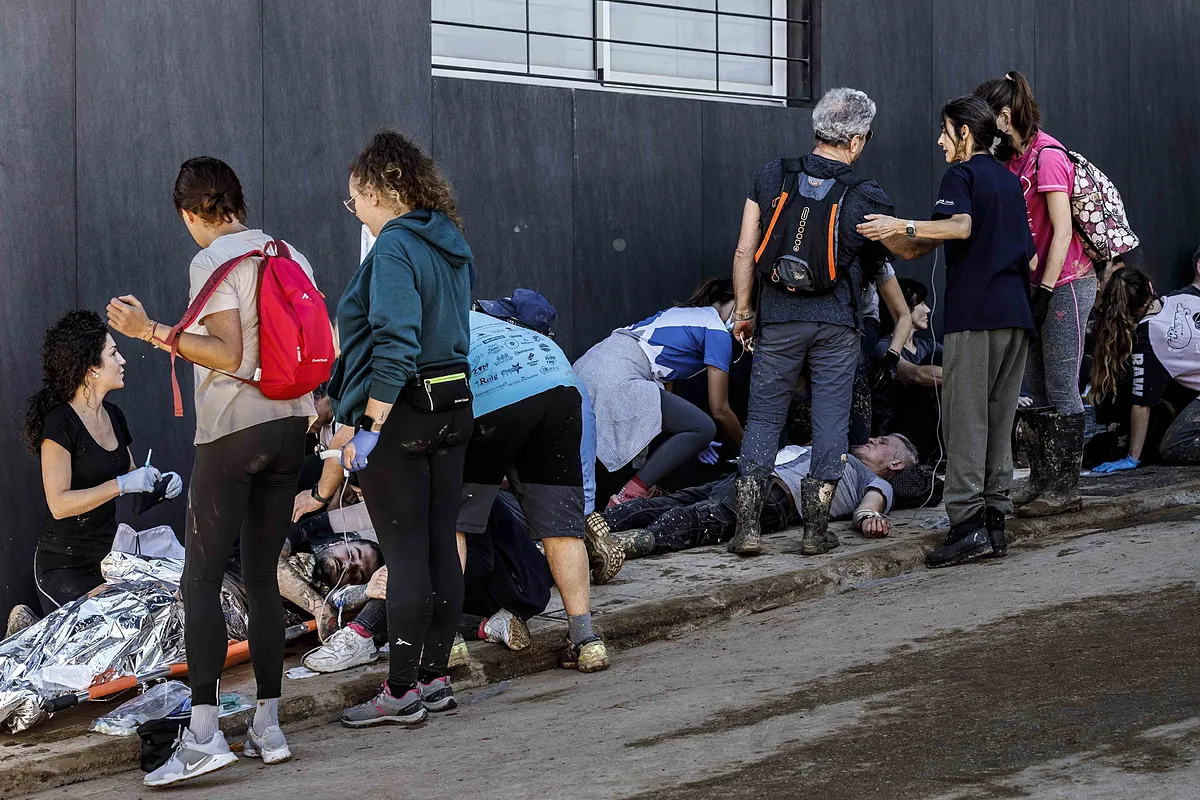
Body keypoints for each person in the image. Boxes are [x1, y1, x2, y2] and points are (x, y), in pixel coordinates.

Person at [107, 157, 316, 783]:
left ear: (191, 214)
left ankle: (203, 734)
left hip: (233, 432)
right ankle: (269, 726)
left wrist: (151, 332)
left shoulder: (212, 258)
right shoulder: (290, 253)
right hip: (291, 427)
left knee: (198, 580)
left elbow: (225, 353)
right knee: (260, 573)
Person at [326, 131, 475, 729]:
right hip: (455, 404)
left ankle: (399, 691)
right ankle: (435, 679)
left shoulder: (392, 247)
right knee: (442, 545)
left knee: (406, 553)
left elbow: (395, 343)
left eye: (354, 197)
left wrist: (368, 426)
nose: (354, 209)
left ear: (380, 189)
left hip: (403, 413)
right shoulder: (449, 241)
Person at [859, 96, 1036, 568]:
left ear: (965, 133)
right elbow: (1025, 255)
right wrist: (890, 239)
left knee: (966, 421)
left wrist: (901, 223)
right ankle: (995, 524)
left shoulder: (962, 174)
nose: (940, 140)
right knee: (999, 422)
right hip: (1016, 317)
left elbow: (957, 228)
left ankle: (965, 526)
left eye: (944, 130)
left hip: (975, 317)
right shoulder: (1009, 180)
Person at [729, 87, 901, 558]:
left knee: (764, 417)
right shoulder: (865, 194)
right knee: (830, 421)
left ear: (817, 129)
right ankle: (815, 531)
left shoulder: (772, 174)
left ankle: (747, 529)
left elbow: (746, 249)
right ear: (858, 140)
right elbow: (889, 255)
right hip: (836, 325)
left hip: (778, 318)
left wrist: (744, 312)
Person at [458, 307, 611, 672]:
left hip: (494, 398)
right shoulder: (502, 327)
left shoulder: (420, 318)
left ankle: (447, 642)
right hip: (558, 387)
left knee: (454, 522)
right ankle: (585, 639)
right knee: (561, 529)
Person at [975, 71, 1096, 518]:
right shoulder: (1013, 161)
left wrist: (1044, 291)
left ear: (1005, 116)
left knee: (1063, 385)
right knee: (1037, 387)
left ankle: (1064, 488)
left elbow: (1061, 231)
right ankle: (1042, 482)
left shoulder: (1047, 156)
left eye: (989, 121)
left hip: (1065, 284)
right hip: (1034, 286)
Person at [19, 311, 182, 622]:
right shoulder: (60, 423)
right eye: (114, 354)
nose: (123, 362)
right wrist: (122, 484)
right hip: (63, 566)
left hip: (108, 561)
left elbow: (136, 490)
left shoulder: (115, 416)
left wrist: (162, 486)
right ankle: (25, 626)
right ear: (91, 368)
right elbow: (59, 504)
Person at [574, 278, 744, 508]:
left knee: (686, 429)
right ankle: (629, 496)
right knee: (703, 427)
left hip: (589, 367)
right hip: (617, 372)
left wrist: (692, 440)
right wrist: (752, 452)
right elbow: (720, 410)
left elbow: (667, 395)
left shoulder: (687, 315)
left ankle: (628, 494)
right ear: (741, 303)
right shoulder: (717, 331)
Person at [602, 435, 917, 558]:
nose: (874, 438)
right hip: (744, 478)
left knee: (701, 519)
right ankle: (591, 528)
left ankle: (619, 545)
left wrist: (870, 519)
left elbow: (869, 508)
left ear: (896, 463)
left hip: (776, 497)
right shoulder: (835, 452)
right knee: (667, 503)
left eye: (884, 442)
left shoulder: (871, 479)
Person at [1090, 268, 1200, 472]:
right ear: (1150, 286)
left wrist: (1132, 458)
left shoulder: (1148, 339)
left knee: (1172, 448)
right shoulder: (1183, 297)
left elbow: (1142, 404)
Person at [871, 278, 944, 462]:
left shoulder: (928, 347)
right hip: (897, 431)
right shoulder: (885, 347)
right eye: (921, 303)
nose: (927, 310)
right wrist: (971, 378)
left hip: (929, 430)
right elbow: (915, 376)